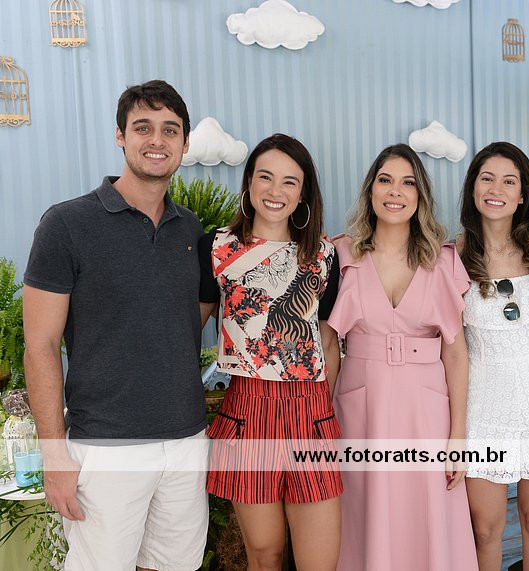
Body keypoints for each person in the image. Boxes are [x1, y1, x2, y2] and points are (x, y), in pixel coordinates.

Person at [23, 80, 209, 570]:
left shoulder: (191, 230)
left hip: (186, 441)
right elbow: (40, 344)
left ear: (185, 143)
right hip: (106, 448)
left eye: (170, 130)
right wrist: (54, 456)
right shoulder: (66, 225)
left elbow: (185, 324)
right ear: (120, 136)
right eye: (143, 127)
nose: (157, 140)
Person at [328, 144, 479, 571]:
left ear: (420, 196)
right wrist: (321, 421)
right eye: (386, 180)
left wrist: (458, 436)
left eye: (408, 182)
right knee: (364, 510)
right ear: (370, 190)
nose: (396, 191)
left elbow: (456, 353)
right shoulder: (341, 255)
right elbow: (327, 346)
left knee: (426, 515)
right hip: (361, 406)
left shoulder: (444, 261)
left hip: (426, 409)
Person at [199, 133, 342, 571]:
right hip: (248, 409)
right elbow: (189, 329)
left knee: (319, 561)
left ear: (303, 194)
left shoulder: (324, 255)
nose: (275, 191)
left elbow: (328, 341)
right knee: (265, 554)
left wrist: (321, 409)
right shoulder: (216, 248)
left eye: (289, 181)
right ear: (249, 183)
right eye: (265, 177)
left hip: (310, 412)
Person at [458, 142, 529, 570]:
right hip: (482, 402)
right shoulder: (454, 256)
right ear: (473, 188)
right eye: (487, 178)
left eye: (509, 181)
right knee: (484, 528)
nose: (497, 189)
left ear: (523, 193)